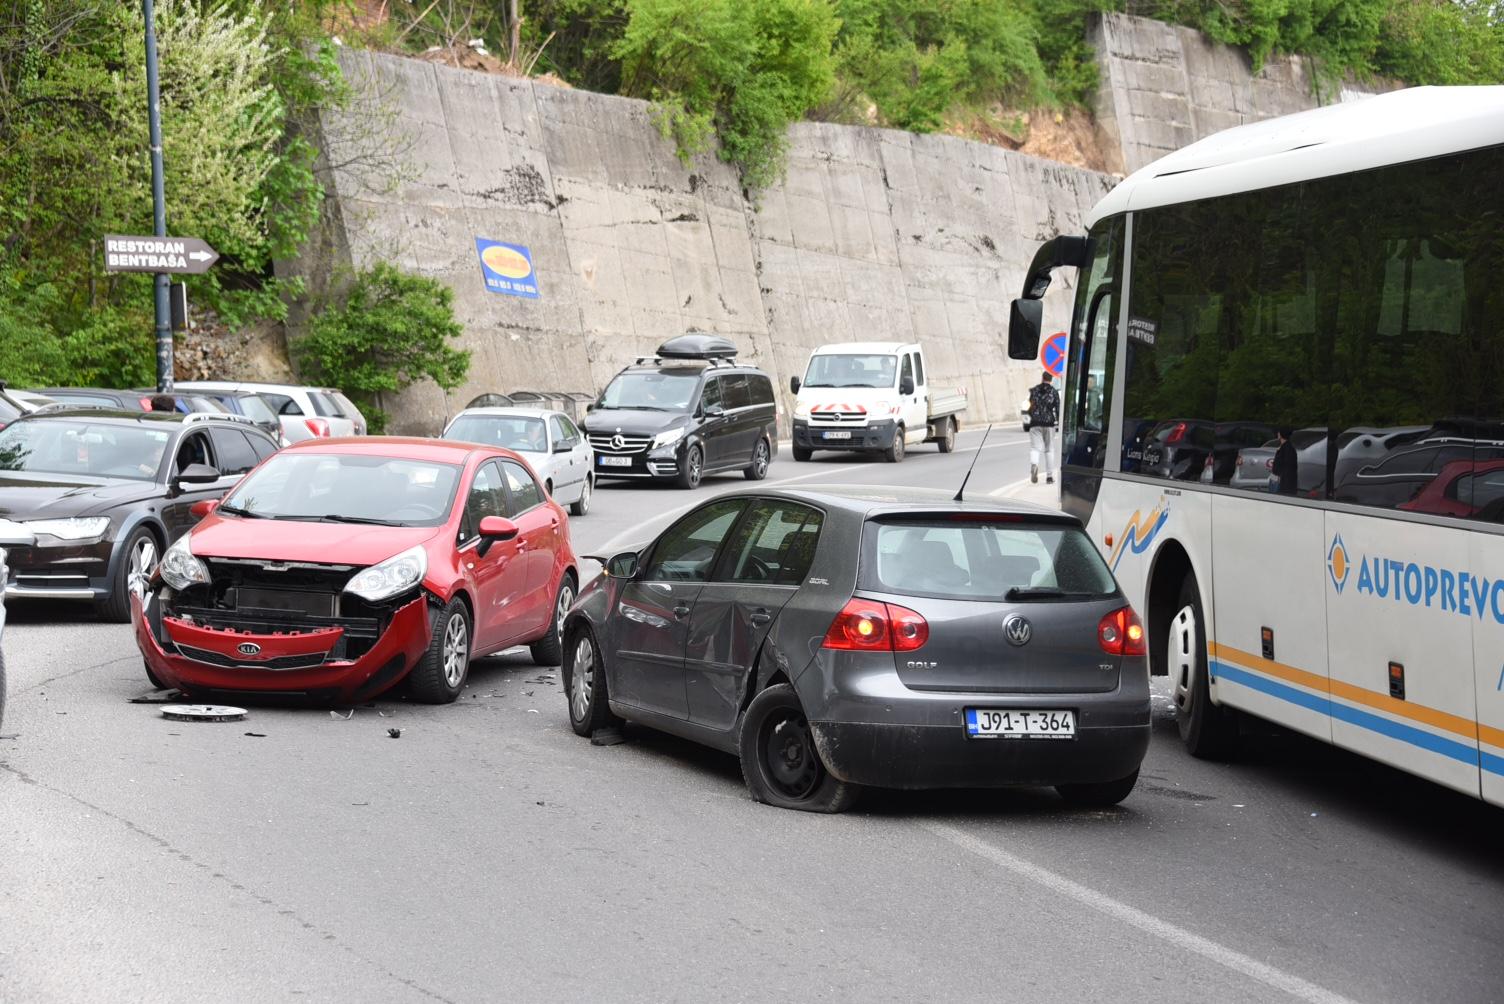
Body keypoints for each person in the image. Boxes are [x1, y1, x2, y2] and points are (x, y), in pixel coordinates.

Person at [1027, 371, 1060, 485]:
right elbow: (1058, 407)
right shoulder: (1054, 392)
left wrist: (1032, 416)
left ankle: (1034, 464)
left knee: (1035, 448)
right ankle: (1049, 477)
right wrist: (1059, 422)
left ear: (1042, 378)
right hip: (1048, 423)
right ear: (1050, 380)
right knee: (1049, 449)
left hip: (1035, 422)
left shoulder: (1034, 390)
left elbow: (1030, 406)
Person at [1271, 427, 1298, 495]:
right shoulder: (1284, 447)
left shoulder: (1288, 449)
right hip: (1278, 481)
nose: (1277, 434)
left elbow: (1288, 468)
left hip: (1283, 485)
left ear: (1281, 434)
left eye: (1279, 432)